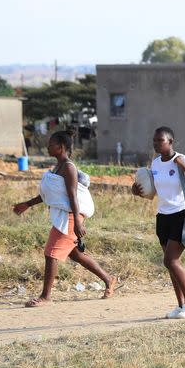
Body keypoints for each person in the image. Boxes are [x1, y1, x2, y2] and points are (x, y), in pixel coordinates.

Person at [12, 131, 116, 307]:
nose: (47, 147)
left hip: (71, 215)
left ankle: (46, 296)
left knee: (51, 253)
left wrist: (77, 221)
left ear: (60, 147)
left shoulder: (68, 167)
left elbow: (72, 195)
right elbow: (52, 195)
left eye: (51, 144)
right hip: (67, 214)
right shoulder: (57, 167)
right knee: (75, 254)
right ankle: (109, 279)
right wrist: (28, 204)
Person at [132, 126, 185, 319]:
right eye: (154, 141)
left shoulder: (183, 159)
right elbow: (154, 191)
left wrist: (183, 166)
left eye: (160, 141)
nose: (156, 144)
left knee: (170, 260)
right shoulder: (155, 164)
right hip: (163, 217)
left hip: (182, 215)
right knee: (171, 263)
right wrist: (137, 190)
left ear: (170, 142)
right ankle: (181, 305)